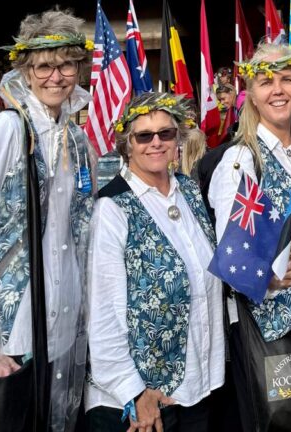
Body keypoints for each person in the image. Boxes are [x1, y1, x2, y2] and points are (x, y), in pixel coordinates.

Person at [0, 9, 96, 432]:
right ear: (26, 71)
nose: (56, 76)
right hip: (7, 340)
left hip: (58, 338)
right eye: (44, 66)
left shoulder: (76, 138)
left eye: (66, 64)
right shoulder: (8, 130)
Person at [208, 43, 291, 431]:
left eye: (286, 80)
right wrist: (266, 278)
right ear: (252, 95)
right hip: (269, 323)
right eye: (266, 82)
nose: (278, 90)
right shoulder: (242, 160)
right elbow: (231, 257)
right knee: (281, 424)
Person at [85, 91, 224, 432]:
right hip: (146, 400)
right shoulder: (113, 209)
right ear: (127, 144)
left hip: (199, 386)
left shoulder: (189, 191)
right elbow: (102, 313)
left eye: (166, 133)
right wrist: (134, 392)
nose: (156, 143)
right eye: (144, 135)